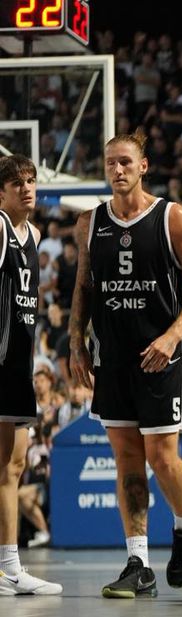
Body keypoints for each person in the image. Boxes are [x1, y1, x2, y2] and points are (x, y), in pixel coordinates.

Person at [67, 133, 182, 598]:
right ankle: (138, 563)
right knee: (127, 460)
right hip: (112, 357)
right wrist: (75, 340)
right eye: (110, 162)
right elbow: (84, 286)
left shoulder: (171, 217)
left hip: (161, 356)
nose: (117, 169)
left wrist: (172, 337)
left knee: (162, 458)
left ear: (143, 166)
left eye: (126, 162)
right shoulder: (89, 222)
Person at [0, 155, 60, 594]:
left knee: (14, 465)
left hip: (20, 365)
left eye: (31, 181)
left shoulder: (34, 235)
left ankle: (10, 567)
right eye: (17, 182)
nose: (27, 188)